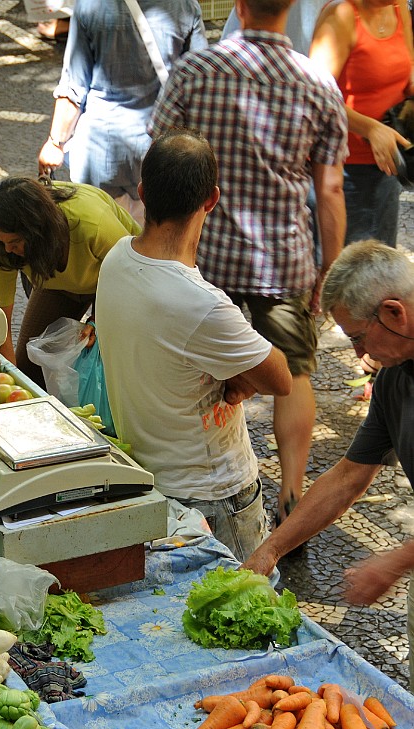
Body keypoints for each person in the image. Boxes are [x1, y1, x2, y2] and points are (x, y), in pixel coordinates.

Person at [151, 0, 348, 526]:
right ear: (292, 9)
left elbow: (163, 156)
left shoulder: (195, 70)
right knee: (296, 373)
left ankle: (194, 478)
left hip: (204, 252)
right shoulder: (318, 83)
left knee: (199, 365)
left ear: (238, 6)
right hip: (283, 259)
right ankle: (292, 491)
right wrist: (329, 267)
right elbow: (329, 188)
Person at [96, 129, 292, 561]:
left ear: (143, 192)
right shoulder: (201, 305)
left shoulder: (116, 259)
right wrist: (241, 374)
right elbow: (280, 377)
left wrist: (237, 371)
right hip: (215, 497)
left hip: (151, 482)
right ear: (211, 199)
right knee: (248, 616)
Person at [242, 240, 414, 689]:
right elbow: (349, 475)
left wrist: (396, 560)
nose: (358, 354)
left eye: (358, 336)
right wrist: (272, 548)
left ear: (395, 313)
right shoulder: (395, 375)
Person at [37, 0, 206, 223]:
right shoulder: (184, 6)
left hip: (99, 152)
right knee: (149, 249)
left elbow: (74, 86)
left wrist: (55, 142)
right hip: (159, 152)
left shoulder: (90, 5)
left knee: (100, 246)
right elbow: (198, 82)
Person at [0, 176, 140, 386]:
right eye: (2, 241)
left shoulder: (92, 223)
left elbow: (131, 276)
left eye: (15, 242)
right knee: (30, 369)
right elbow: (0, 324)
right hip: (60, 285)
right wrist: (10, 383)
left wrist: (97, 319)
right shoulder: (1, 247)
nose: (8, 249)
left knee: (112, 371)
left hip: (120, 282)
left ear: (37, 231)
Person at [309, 0, 414, 248]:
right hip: (342, 170)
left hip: (388, 164)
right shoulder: (342, 15)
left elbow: (408, 72)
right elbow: (314, 96)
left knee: (380, 267)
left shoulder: (398, 8)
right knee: (343, 273)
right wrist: (370, 128)